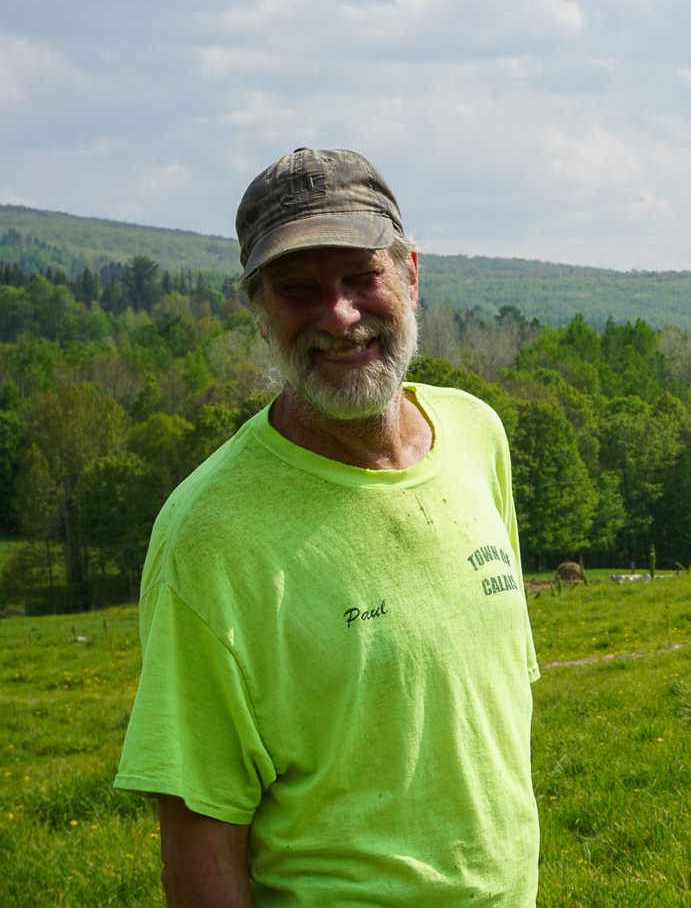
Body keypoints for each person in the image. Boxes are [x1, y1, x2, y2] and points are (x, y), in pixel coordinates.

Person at [114, 148, 540, 908]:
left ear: (411, 274)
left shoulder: (477, 437)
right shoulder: (208, 534)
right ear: (257, 309)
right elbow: (200, 845)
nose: (339, 315)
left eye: (360, 277)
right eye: (298, 290)